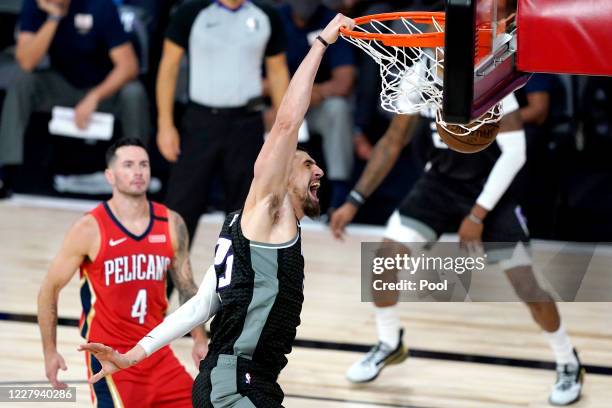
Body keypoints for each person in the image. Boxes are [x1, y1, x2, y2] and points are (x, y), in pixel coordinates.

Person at [78, 14, 355, 407]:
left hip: (244, 380)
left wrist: (133, 354)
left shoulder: (248, 233)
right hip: (233, 383)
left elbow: (201, 305)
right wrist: (322, 45)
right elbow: (287, 122)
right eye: (307, 163)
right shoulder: (265, 213)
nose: (319, 170)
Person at [330, 97, 585, 406]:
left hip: (490, 188)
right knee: (384, 259)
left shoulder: (492, 76)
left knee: (526, 285)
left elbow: (515, 154)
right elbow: (393, 140)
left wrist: (477, 215)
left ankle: (568, 360)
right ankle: (389, 342)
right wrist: (355, 199)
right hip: (439, 183)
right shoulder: (419, 75)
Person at [38, 138, 208, 407]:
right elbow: (49, 290)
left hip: (156, 352)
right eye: (128, 165)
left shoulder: (171, 223)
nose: (138, 171)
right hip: (110, 359)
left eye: (144, 164)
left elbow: (187, 287)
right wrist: (50, 352)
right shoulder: (89, 228)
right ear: (110, 175)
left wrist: (200, 339)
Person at [157, 0, 290, 251]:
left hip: (247, 124)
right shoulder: (190, 11)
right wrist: (165, 124)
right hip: (200, 122)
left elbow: (278, 71)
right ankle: (164, 287)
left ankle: (238, 287)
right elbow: (168, 67)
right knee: (180, 208)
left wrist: (284, 131)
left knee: (245, 214)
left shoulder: (265, 15)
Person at [0, 0, 150, 196]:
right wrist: (53, 18)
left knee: (134, 92)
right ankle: (6, 171)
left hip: (103, 87)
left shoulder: (99, 6)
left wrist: (94, 97)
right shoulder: (35, 5)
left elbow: (128, 66)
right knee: (23, 82)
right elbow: (27, 62)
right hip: (62, 83)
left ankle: (135, 174)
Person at [278, 0, 356, 209]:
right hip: (278, 106)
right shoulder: (275, 18)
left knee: (338, 110)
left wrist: (308, 95)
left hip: (313, 106)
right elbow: (258, 80)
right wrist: (288, 97)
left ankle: (339, 195)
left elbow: (344, 81)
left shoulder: (332, 21)